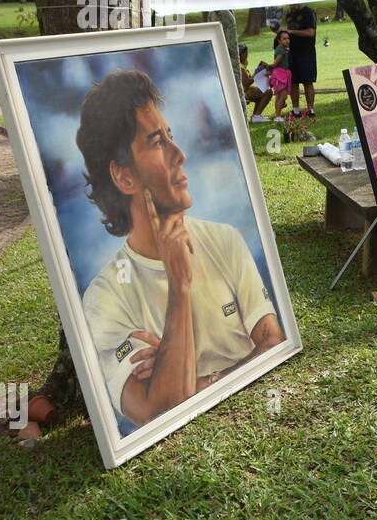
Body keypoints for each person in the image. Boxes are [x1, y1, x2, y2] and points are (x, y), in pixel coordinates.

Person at [75, 69, 284, 434]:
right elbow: (159, 414)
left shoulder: (224, 240)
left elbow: (272, 341)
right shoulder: (104, 297)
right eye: (157, 142)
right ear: (123, 176)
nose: (180, 154)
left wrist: (204, 385)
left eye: (171, 135)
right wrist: (179, 285)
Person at [284, 2, 318, 116]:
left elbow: (311, 32)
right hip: (291, 52)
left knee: (308, 81)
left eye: (292, 4)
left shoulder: (308, 12)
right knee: (293, 82)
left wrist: (292, 32)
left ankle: (310, 109)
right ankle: (296, 110)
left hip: (306, 52)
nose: (291, 6)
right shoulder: (289, 14)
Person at [240, 44, 274, 121]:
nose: (246, 56)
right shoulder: (240, 67)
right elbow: (246, 82)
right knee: (268, 92)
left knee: (262, 90)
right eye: (246, 54)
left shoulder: (241, 65)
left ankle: (256, 116)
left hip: (244, 90)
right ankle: (256, 116)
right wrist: (257, 72)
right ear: (242, 54)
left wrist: (259, 68)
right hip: (243, 92)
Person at [264, 29, 291, 122]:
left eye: (288, 38)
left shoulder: (282, 48)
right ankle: (278, 116)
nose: (287, 40)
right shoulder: (281, 50)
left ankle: (277, 115)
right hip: (280, 75)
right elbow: (275, 64)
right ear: (279, 40)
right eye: (284, 39)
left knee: (279, 96)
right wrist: (268, 68)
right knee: (283, 96)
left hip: (281, 74)